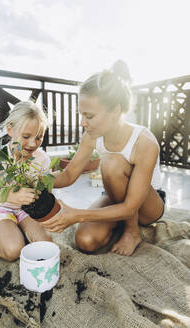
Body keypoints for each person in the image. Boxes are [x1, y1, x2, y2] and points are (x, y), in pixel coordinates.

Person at [42, 60, 166, 256]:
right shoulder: (91, 136)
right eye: (81, 114)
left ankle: (132, 231)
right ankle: (115, 223)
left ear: (115, 111)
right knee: (86, 241)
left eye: (89, 116)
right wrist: (39, 179)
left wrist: (77, 215)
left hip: (147, 205)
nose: (83, 123)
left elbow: (130, 206)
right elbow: (68, 175)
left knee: (112, 163)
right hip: (117, 198)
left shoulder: (144, 143)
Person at [0, 101, 52, 261]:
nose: (32, 144)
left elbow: (44, 190)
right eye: (26, 137)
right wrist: (6, 196)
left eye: (39, 137)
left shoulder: (42, 158)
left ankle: (15, 229)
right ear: (9, 129)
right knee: (14, 250)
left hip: (26, 209)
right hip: (0, 207)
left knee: (46, 244)